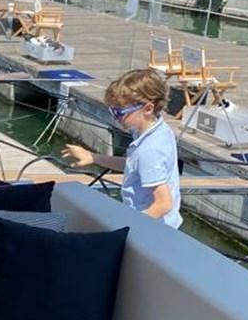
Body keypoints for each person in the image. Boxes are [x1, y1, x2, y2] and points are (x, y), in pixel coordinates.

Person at [61, 69, 182, 229]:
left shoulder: (149, 150)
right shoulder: (158, 130)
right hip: (165, 223)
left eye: (119, 112)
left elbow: (163, 204)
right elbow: (134, 165)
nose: (114, 117)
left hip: (153, 228)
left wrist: (127, 228)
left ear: (148, 109)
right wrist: (94, 158)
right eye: (112, 111)